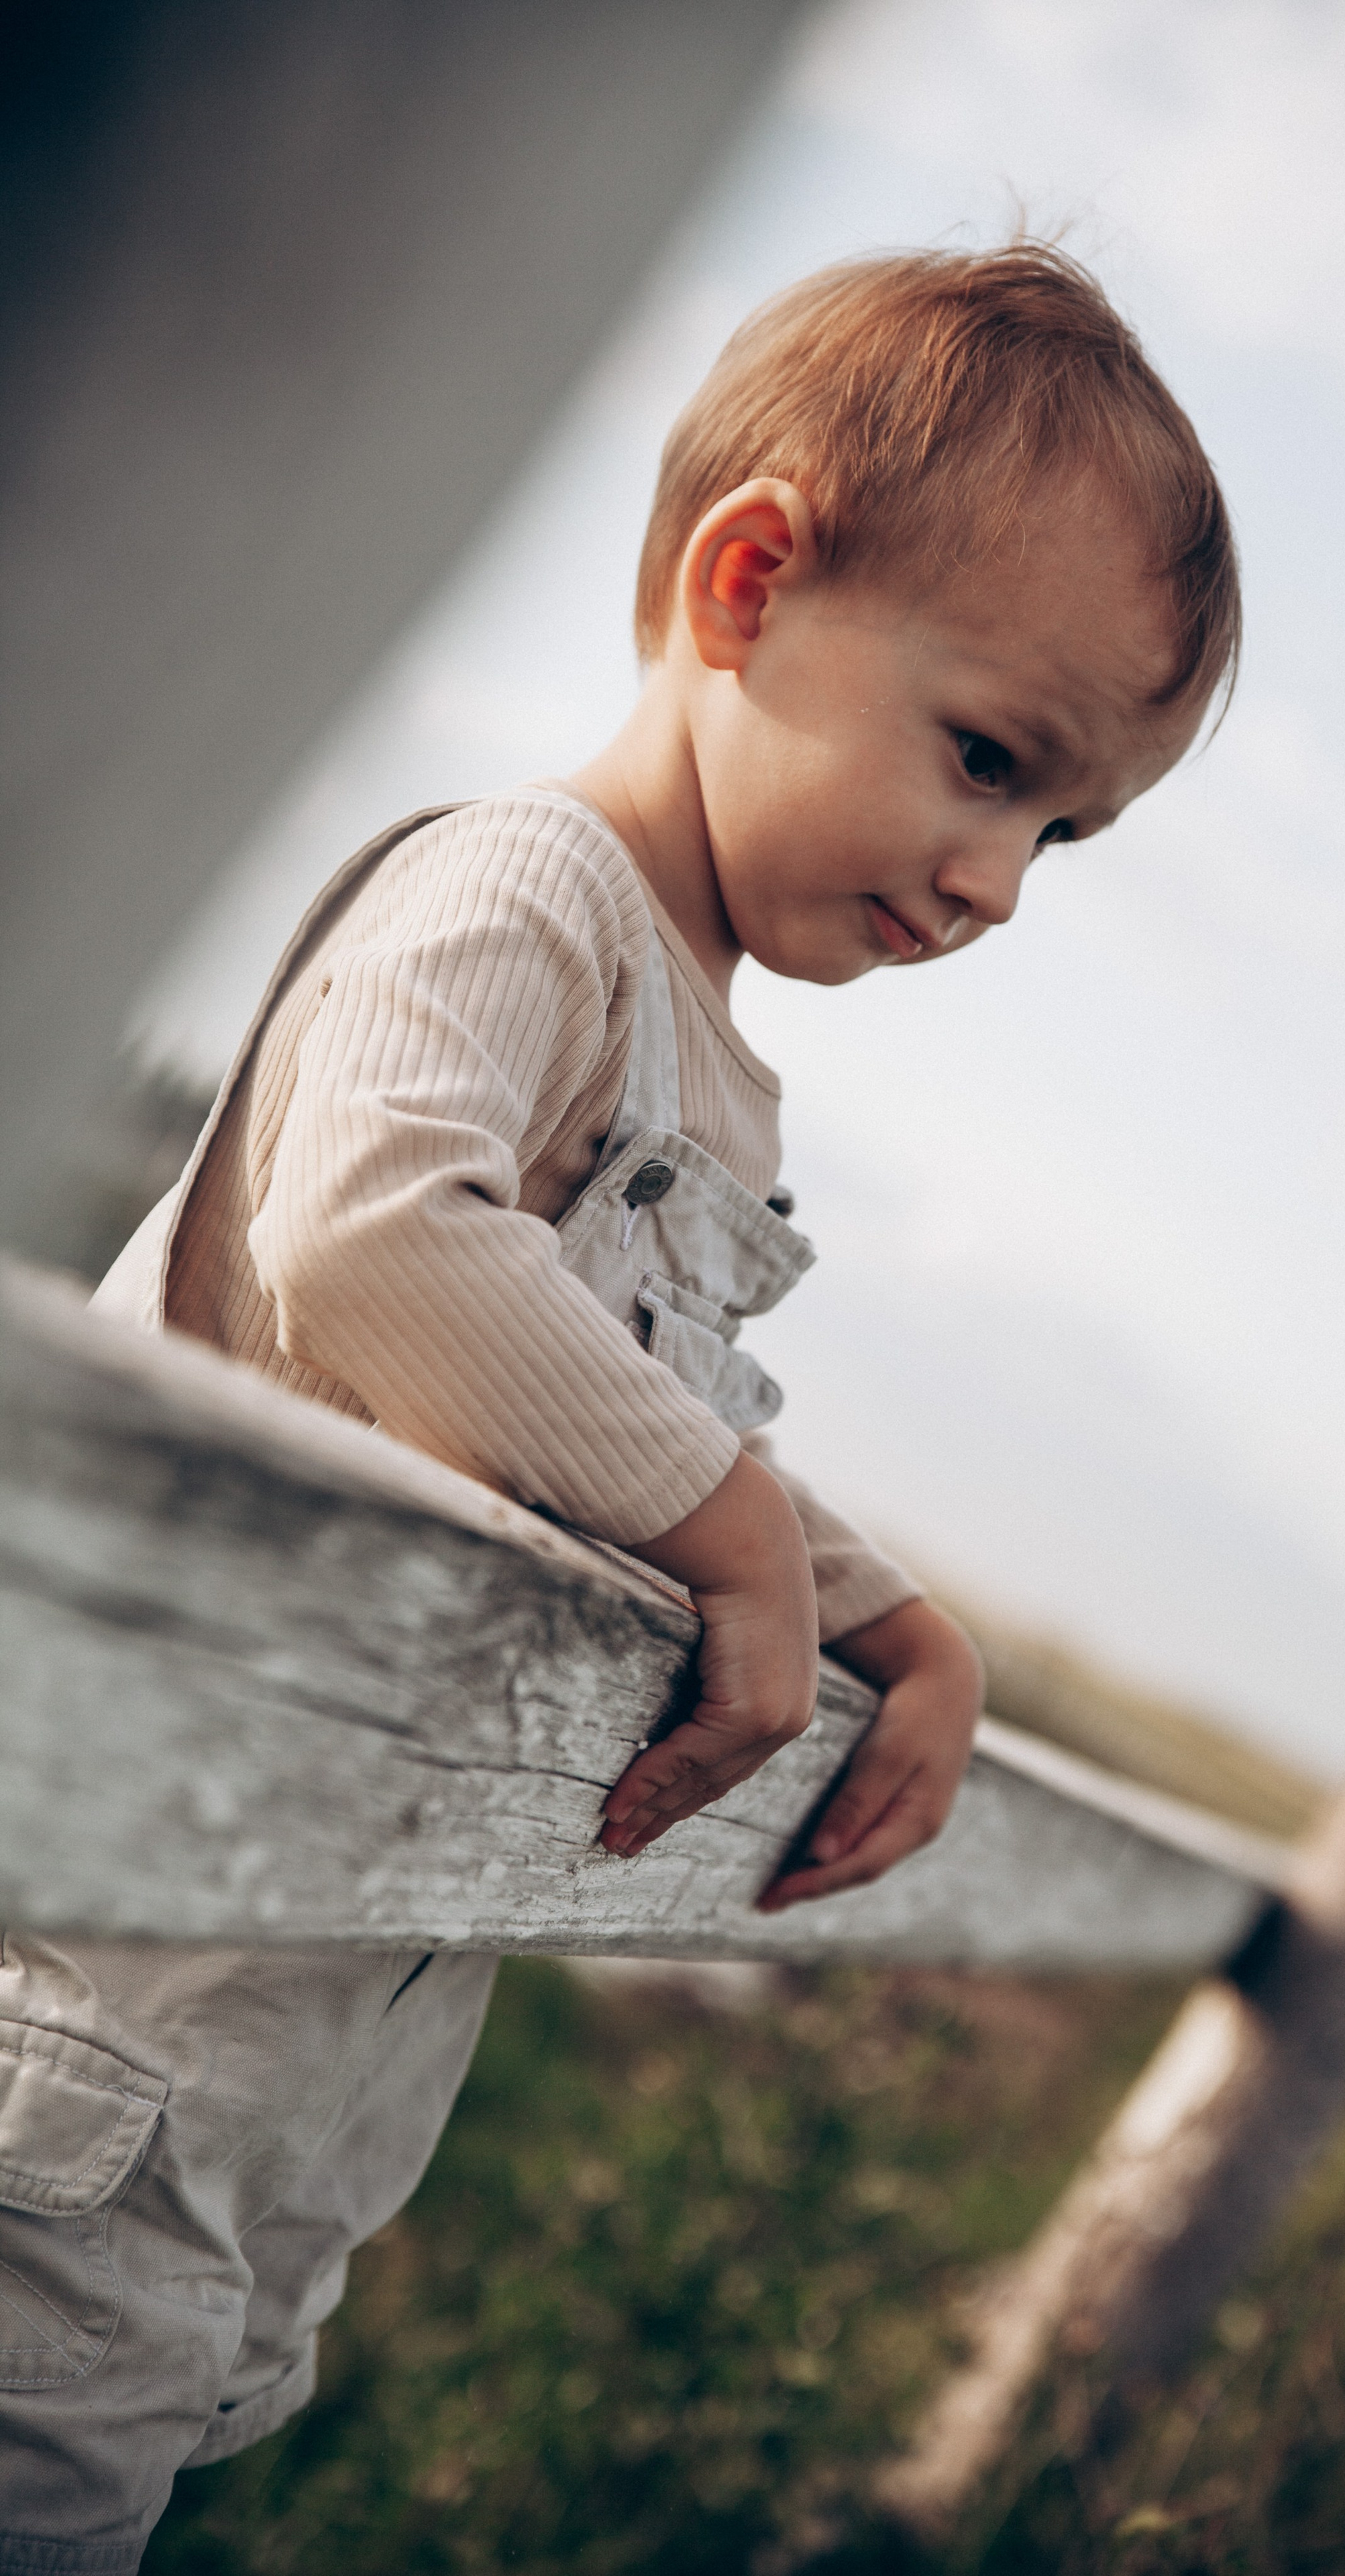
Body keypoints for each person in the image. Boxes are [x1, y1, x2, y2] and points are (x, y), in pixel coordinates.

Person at [0, 241, 1239, 2571]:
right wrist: (742, 1538)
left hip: (279, 2073)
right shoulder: (527, 890)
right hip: (118, 2019)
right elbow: (371, 1223)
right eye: (992, 761)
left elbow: (626, 1406)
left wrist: (891, 1620)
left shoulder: (701, 1046)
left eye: (1065, 833)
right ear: (751, 581)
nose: (997, 884)